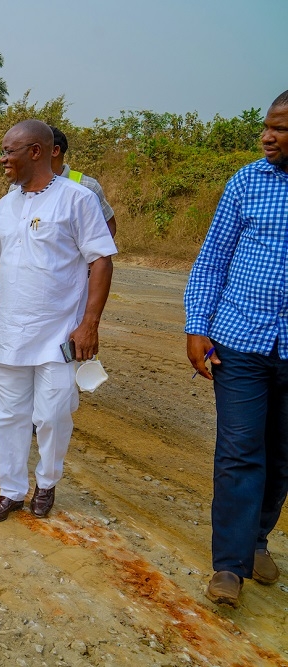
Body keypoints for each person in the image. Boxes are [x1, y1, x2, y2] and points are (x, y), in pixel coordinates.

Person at [0, 120, 115, 523]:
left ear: (36, 151)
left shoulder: (77, 198)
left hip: (59, 333)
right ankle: (11, 491)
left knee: (52, 414)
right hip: (10, 330)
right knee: (9, 415)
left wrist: (90, 322)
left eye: (8, 151)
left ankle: (47, 482)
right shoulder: (6, 204)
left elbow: (101, 259)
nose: (2, 159)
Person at [184, 90, 288, 607]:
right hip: (241, 339)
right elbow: (211, 260)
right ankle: (229, 566)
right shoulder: (247, 181)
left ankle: (257, 540)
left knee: (283, 456)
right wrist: (196, 326)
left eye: (281, 129)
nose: (268, 136)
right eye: (267, 127)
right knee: (240, 452)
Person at [50, 126, 117, 237]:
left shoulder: (87, 186)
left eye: (36, 149)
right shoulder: (18, 187)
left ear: (55, 151)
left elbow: (108, 226)